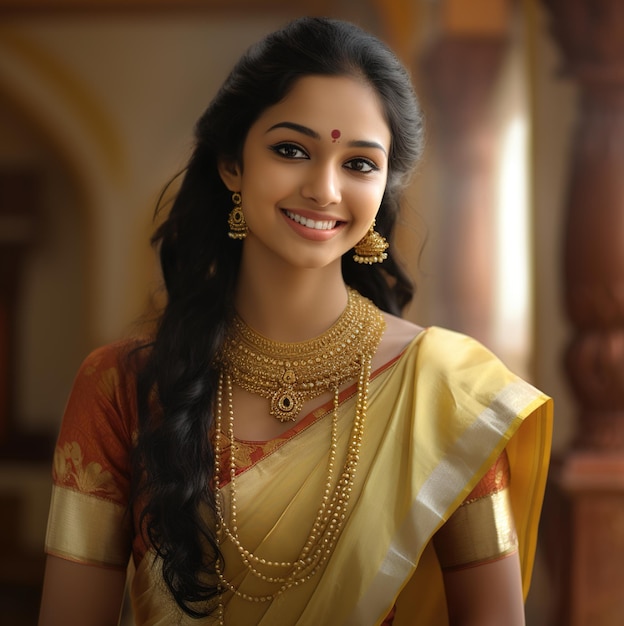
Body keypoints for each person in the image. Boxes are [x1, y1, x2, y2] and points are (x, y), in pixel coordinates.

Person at [38, 16, 552, 626]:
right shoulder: (122, 387)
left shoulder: (444, 392)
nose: (324, 189)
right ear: (232, 165)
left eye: (359, 163)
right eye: (291, 150)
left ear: (385, 184)